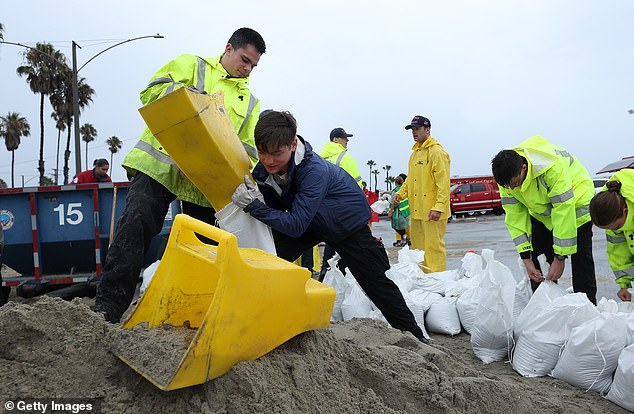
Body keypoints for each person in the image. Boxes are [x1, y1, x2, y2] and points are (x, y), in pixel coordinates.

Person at [94, 28, 267, 323]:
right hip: (162, 166)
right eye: (244, 59)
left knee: (200, 252)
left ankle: (188, 316)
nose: (247, 69)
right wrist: (190, 100)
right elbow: (151, 92)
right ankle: (106, 310)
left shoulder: (250, 103)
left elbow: (247, 152)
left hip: (203, 184)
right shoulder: (192, 65)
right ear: (228, 48)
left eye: (253, 65)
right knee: (134, 229)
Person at [231, 110, 428, 343]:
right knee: (268, 256)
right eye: (263, 153)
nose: (269, 160)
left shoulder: (313, 170)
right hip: (312, 223)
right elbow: (277, 212)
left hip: (348, 225)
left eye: (277, 153)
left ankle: (415, 338)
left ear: (293, 144)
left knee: (376, 284)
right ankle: (257, 321)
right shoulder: (264, 171)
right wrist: (255, 198)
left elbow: (294, 225)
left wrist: (255, 206)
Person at [491, 135, 597, 304]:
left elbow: (563, 210)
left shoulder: (551, 168)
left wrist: (560, 258)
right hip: (542, 212)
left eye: (515, 184)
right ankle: (543, 308)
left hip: (576, 203)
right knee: (538, 257)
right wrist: (526, 258)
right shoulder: (506, 179)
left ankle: (587, 309)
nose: (512, 189)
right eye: (507, 186)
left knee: (581, 261)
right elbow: (515, 216)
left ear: (524, 168)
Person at [392, 115, 450, 273]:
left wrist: (438, 207)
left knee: (433, 249)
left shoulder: (437, 152)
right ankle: (425, 283)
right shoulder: (415, 154)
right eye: (412, 129)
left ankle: (437, 282)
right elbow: (410, 179)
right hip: (417, 211)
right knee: (419, 251)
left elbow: (443, 184)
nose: (414, 132)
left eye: (417, 129)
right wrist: (400, 194)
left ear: (427, 129)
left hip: (432, 212)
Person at [318, 127, 363, 279]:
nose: (347, 140)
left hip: (325, 207)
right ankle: (343, 275)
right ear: (335, 139)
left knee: (331, 241)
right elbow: (356, 184)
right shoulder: (344, 157)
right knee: (346, 243)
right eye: (344, 138)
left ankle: (325, 274)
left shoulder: (320, 158)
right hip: (344, 207)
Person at [589, 169, 634, 302]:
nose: (616, 230)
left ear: (625, 211)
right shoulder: (612, 209)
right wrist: (624, 284)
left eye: (618, 226)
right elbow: (618, 251)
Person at [389, 173, 410, 247]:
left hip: (398, 212)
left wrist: (390, 211)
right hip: (406, 211)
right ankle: (403, 241)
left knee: (396, 227)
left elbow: (393, 202)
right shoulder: (404, 190)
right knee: (405, 227)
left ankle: (404, 237)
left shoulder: (396, 192)